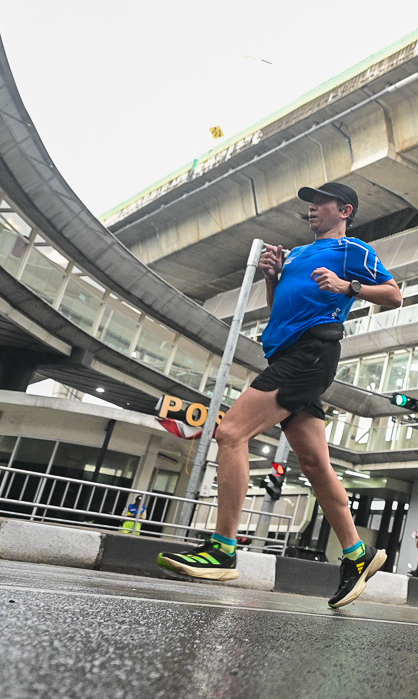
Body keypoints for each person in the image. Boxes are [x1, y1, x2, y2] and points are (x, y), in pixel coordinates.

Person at [159, 182, 403, 611]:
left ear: (345, 210)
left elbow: (394, 294)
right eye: (310, 203)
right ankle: (356, 554)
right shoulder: (299, 254)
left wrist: (347, 287)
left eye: (321, 202)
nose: (312, 208)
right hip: (286, 354)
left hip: (312, 352)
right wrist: (272, 277)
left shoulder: (352, 249)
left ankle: (222, 549)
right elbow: (279, 309)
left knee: (230, 433)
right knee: (314, 464)